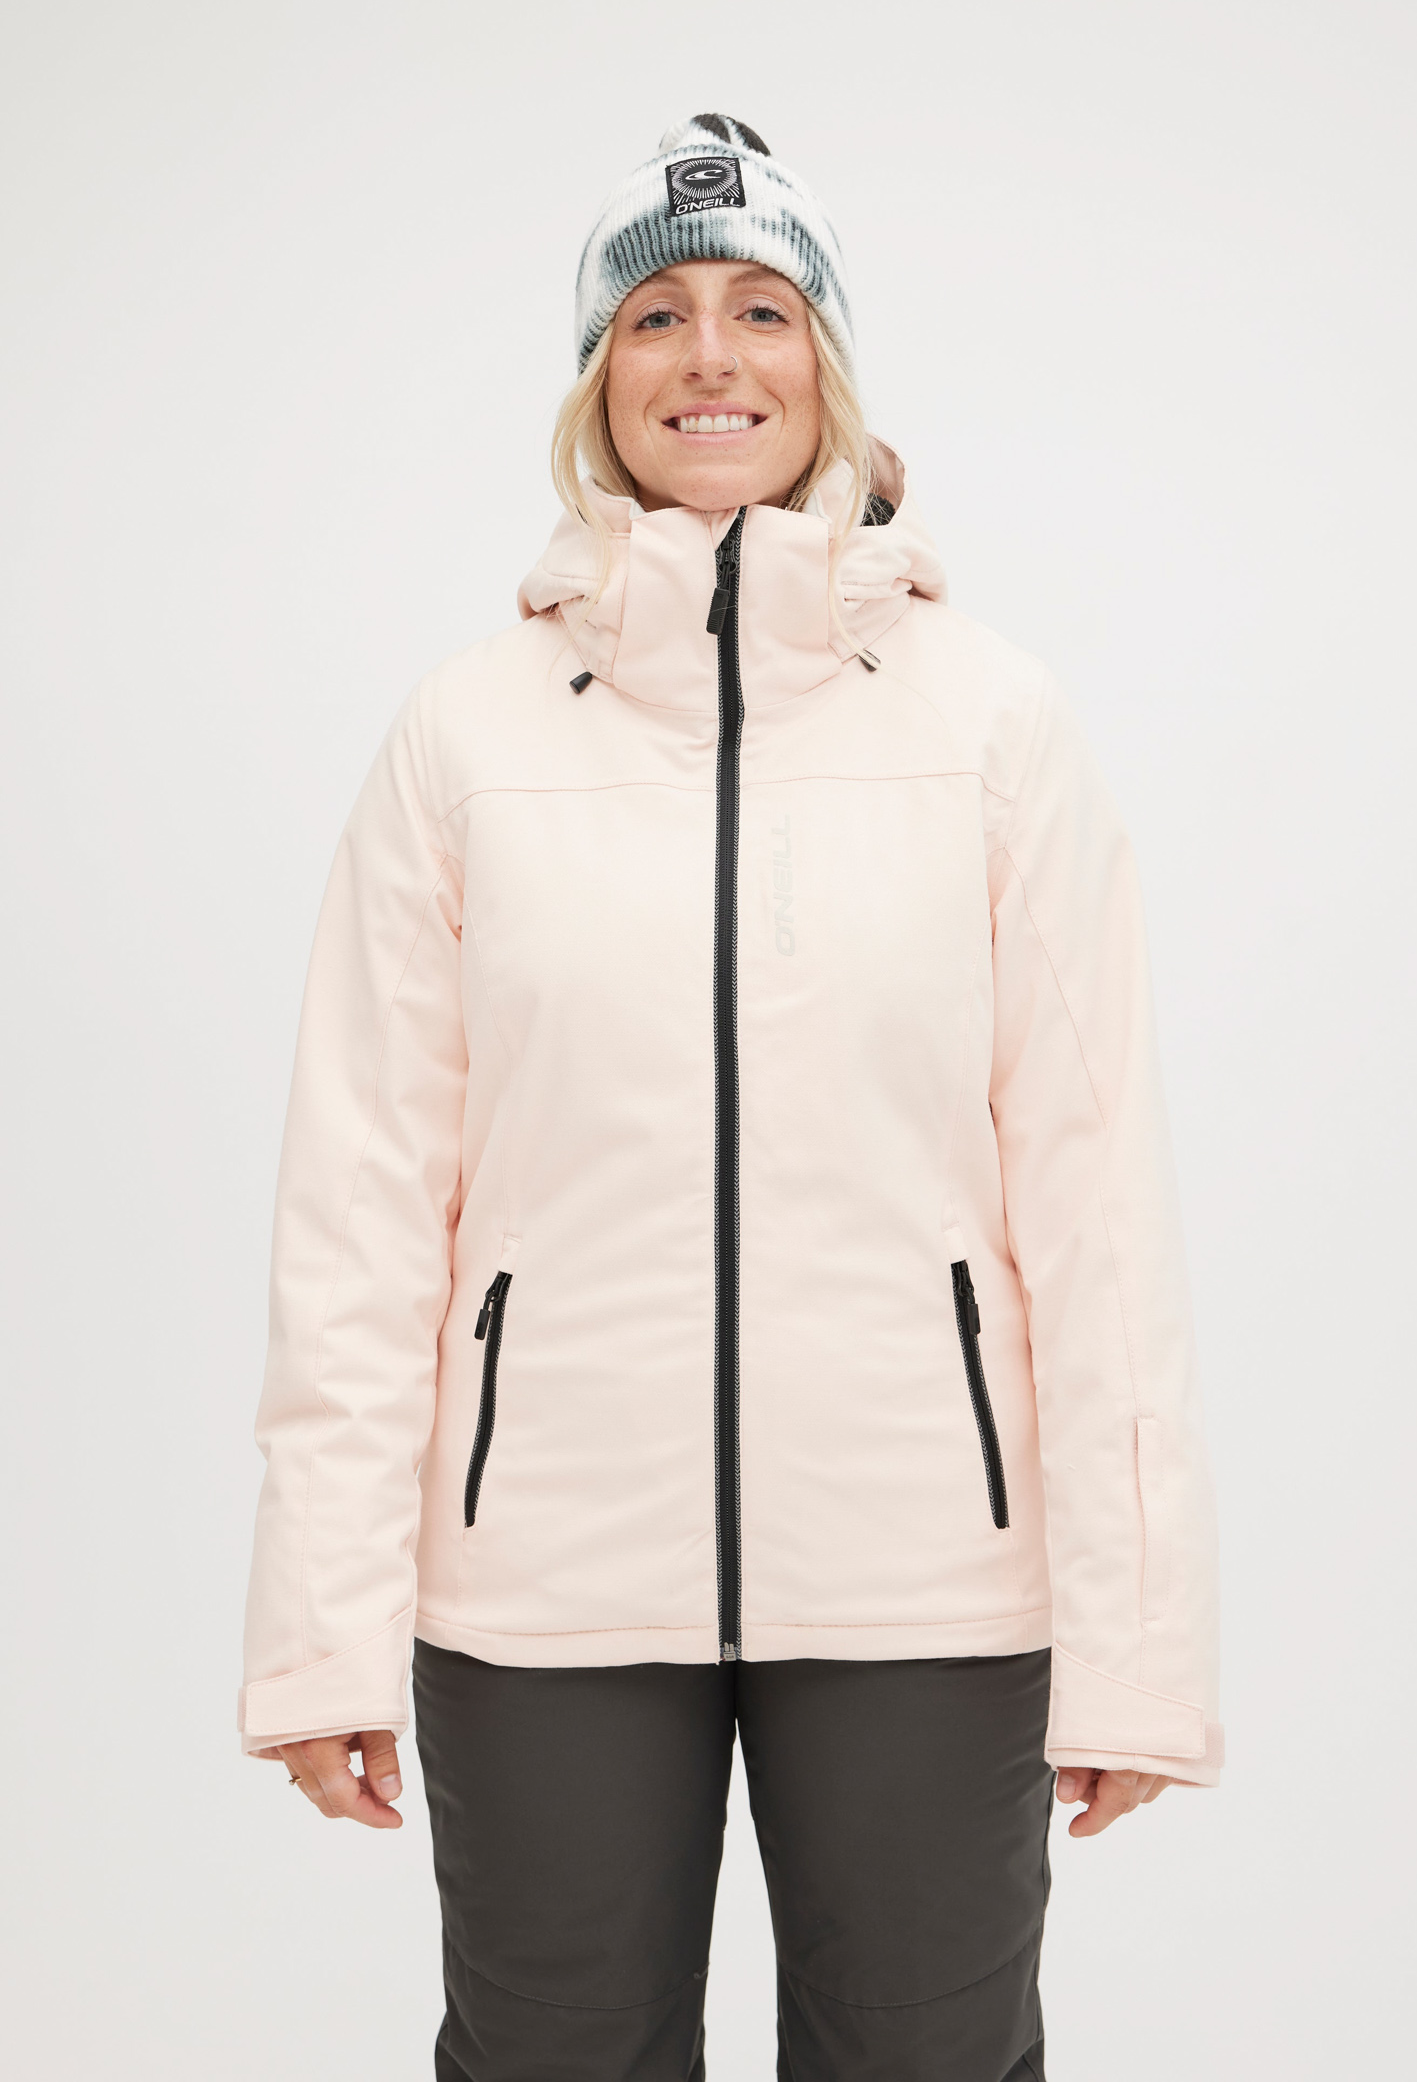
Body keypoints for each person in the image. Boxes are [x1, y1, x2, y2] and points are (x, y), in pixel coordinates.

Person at [239, 113, 1223, 2082]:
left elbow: (1096, 1205)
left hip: (929, 1574)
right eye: (656, 314)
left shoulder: (991, 726)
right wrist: (321, 1629)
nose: (711, 355)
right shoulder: (465, 737)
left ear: (827, 363)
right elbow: (362, 1209)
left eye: (764, 309)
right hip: (541, 1581)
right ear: (596, 377)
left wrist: (1137, 1646)